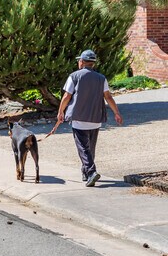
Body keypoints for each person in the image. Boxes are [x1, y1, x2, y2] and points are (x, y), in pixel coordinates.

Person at [51, 49, 123, 187]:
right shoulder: (101, 78)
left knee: (83, 148)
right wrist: (117, 113)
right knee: (90, 148)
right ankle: (86, 172)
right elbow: (108, 96)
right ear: (93, 64)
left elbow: (67, 96)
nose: (78, 62)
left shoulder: (74, 76)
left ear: (82, 62)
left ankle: (91, 171)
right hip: (95, 119)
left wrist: (61, 111)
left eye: (79, 60)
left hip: (79, 119)